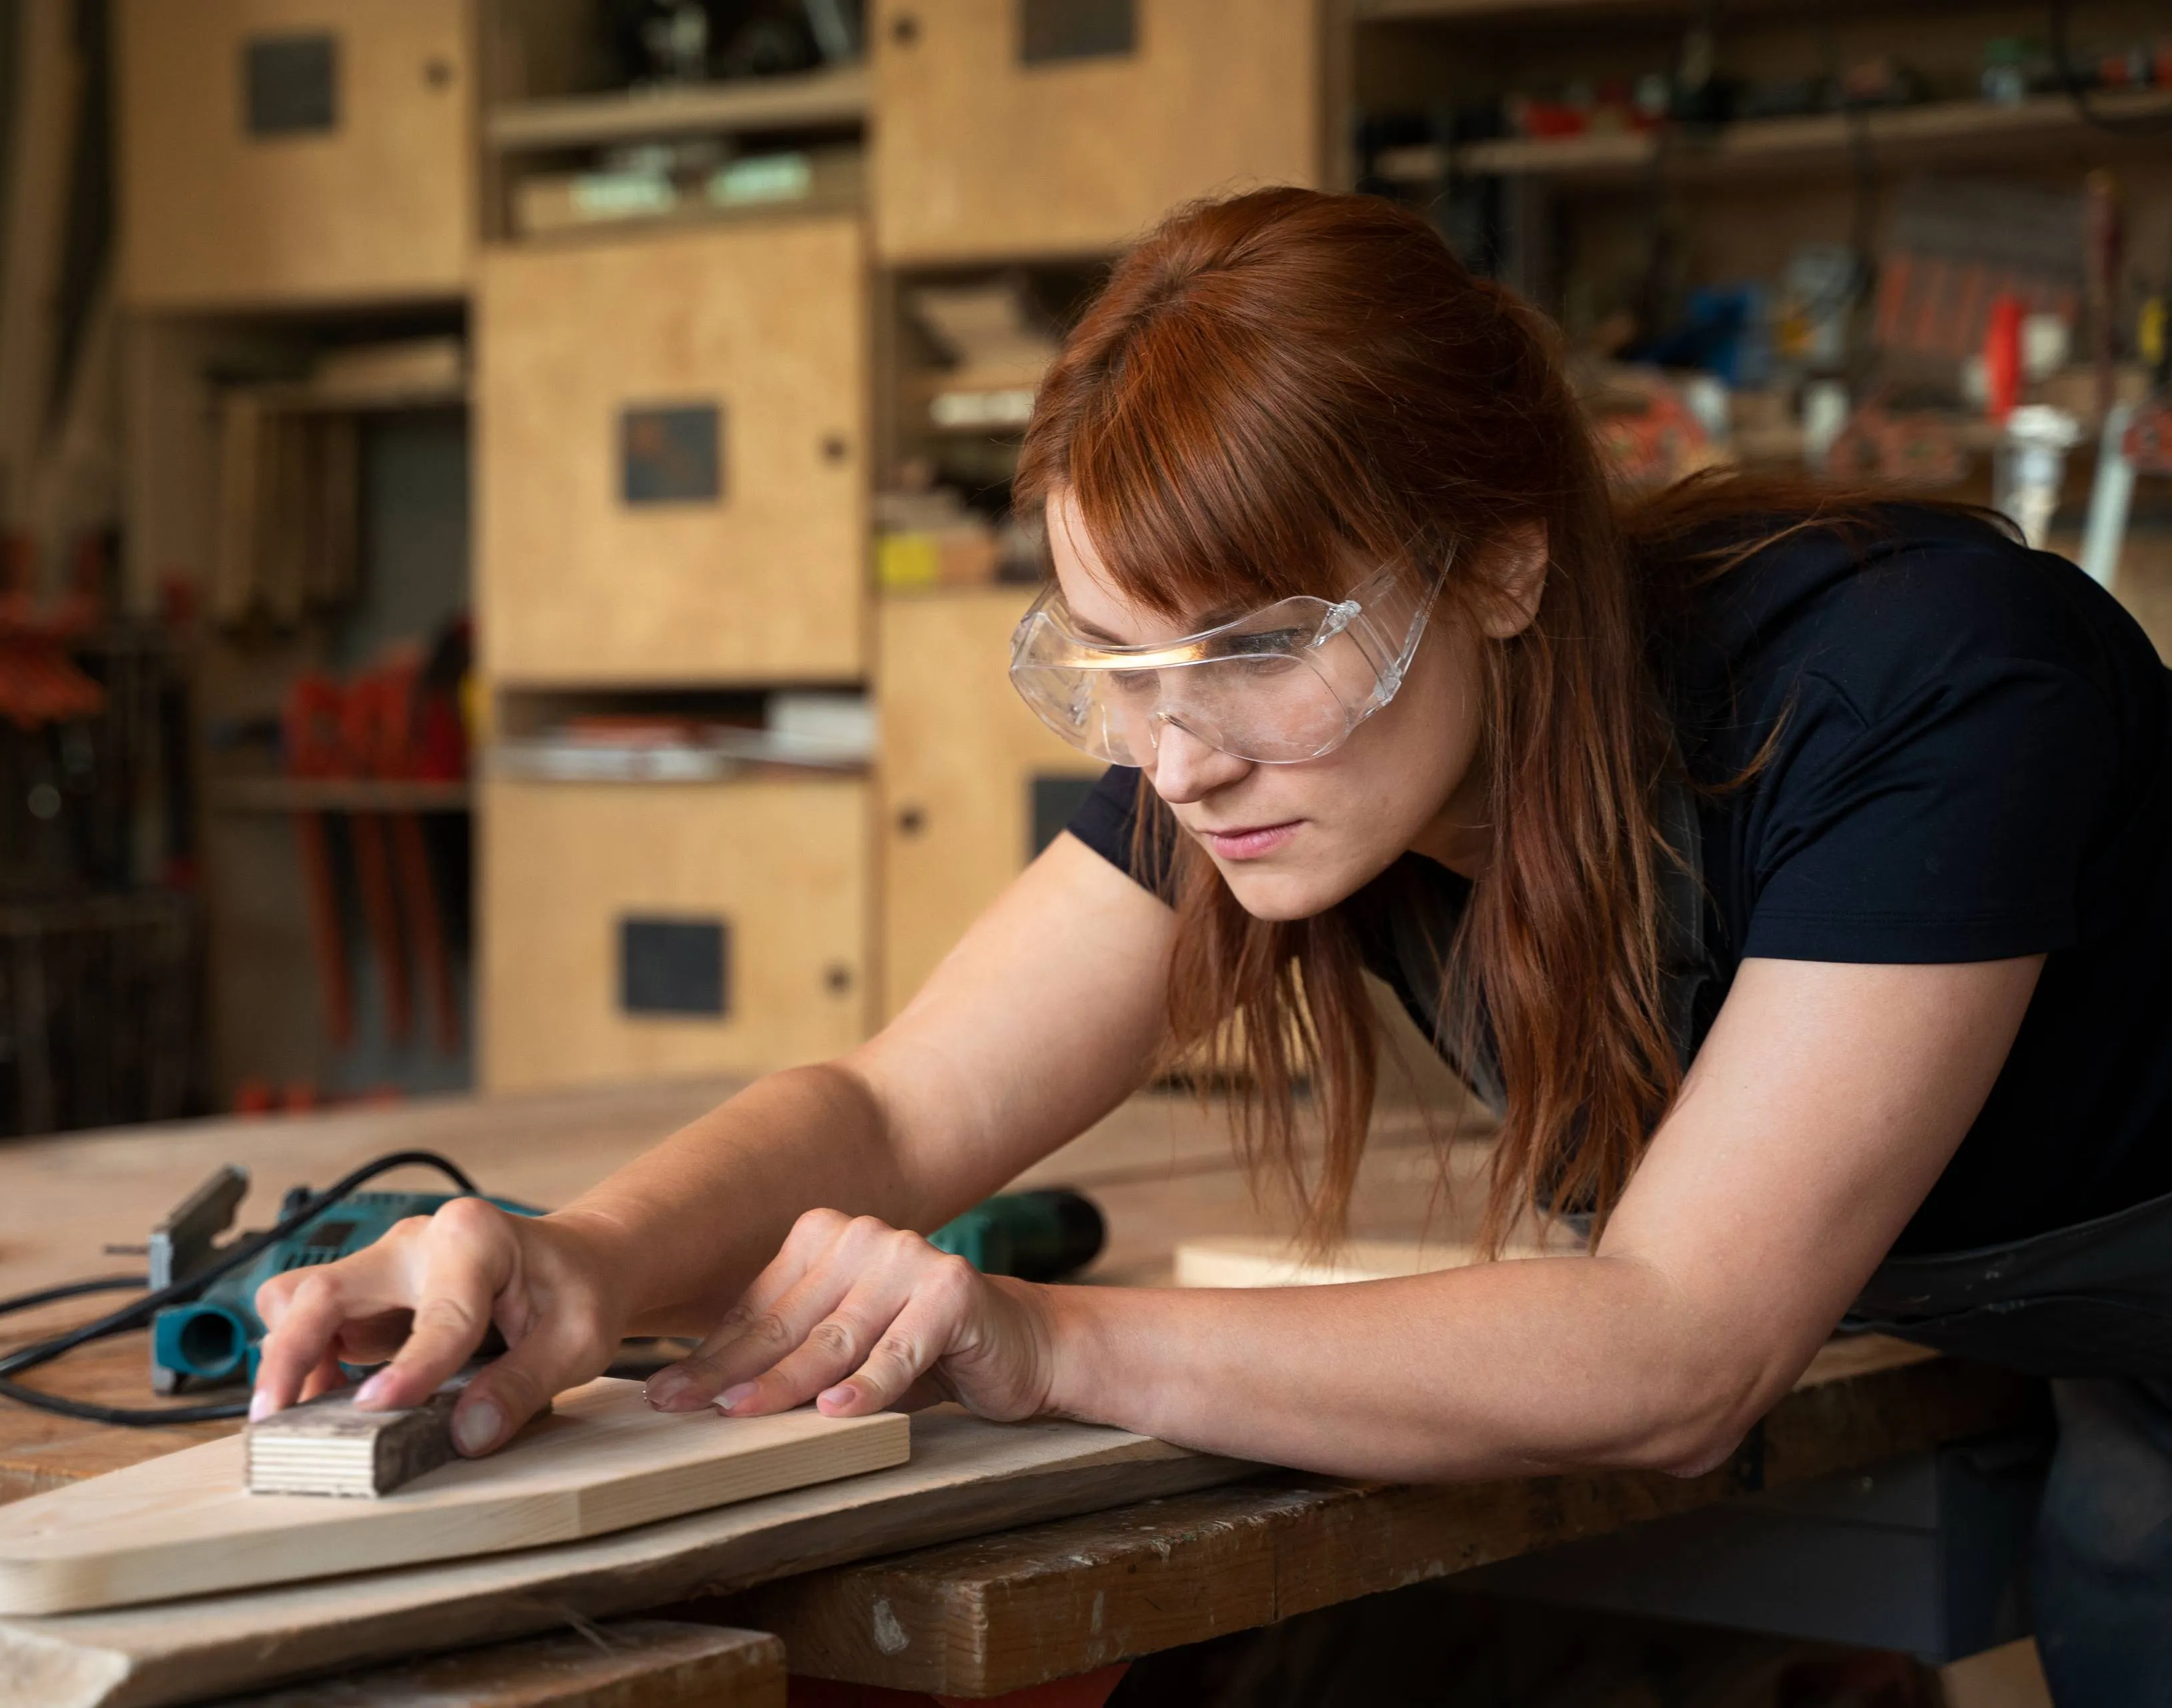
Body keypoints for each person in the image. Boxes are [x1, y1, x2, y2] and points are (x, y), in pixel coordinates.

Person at [249, 189, 2172, 1703]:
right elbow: (901, 1106)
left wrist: (1040, 1339)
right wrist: (581, 1253)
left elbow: (1677, 1351)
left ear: (1503, 554)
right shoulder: (1256, 740)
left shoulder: (1921, 690)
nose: (1178, 755)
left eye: (1256, 644)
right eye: (1121, 663)